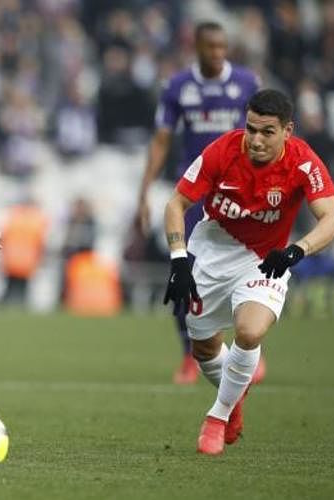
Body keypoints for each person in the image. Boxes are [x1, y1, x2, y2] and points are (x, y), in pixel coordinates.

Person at [162, 89, 334, 455]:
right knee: (204, 348)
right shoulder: (222, 151)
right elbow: (176, 203)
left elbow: (332, 220)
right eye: (251, 129)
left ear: (287, 131)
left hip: (265, 258)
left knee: (249, 330)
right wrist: (179, 258)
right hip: (211, 249)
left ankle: (217, 415)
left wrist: (295, 251)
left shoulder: (303, 162)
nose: (256, 140)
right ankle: (236, 396)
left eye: (267, 132)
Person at [136, 21, 263, 384]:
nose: (218, 54)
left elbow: (265, 136)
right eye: (211, 47)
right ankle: (189, 353)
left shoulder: (246, 83)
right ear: (196, 47)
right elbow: (161, 140)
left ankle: (248, 348)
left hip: (239, 193)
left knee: (246, 271)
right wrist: (144, 191)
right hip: (196, 193)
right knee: (185, 269)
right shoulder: (178, 87)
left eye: (223, 47)